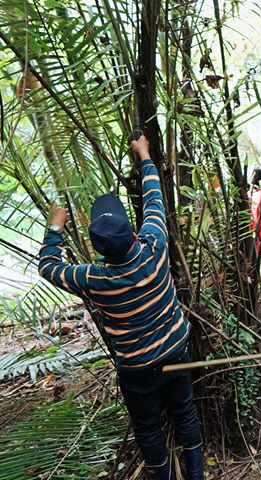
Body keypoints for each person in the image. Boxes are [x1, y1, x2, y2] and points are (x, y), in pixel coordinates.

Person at [38, 135, 204, 480]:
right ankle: (197, 474)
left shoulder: (93, 278)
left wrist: (55, 226)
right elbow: (155, 198)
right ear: (132, 230)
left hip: (137, 367)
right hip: (176, 351)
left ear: (98, 246)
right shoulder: (154, 247)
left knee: (147, 428)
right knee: (185, 413)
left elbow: (48, 267)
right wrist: (143, 155)